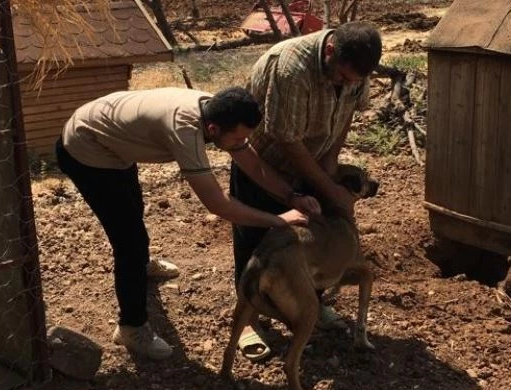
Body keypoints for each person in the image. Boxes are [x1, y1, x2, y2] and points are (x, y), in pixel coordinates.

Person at [56, 86, 320, 360]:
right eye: (239, 137)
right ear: (214, 129)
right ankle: (131, 328)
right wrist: (278, 220)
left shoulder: (216, 110)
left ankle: (142, 268)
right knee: (128, 240)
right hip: (85, 149)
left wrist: (292, 196)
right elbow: (217, 204)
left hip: (113, 143)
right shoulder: (185, 130)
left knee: (134, 212)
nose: (243, 142)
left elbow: (252, 164)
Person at [230, 21, 382, 359]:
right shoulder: (291, 67)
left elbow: (345, 118)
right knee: (256, 239)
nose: (347, 85)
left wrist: (329, 166)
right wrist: (326, 184)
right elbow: (287, 141)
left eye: (354, 81)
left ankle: (310, 301)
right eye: (342, 78)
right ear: (330, 52)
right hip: (264, 164)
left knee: (316, 235)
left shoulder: (356, 67)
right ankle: (249, 320)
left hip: (311, 164)